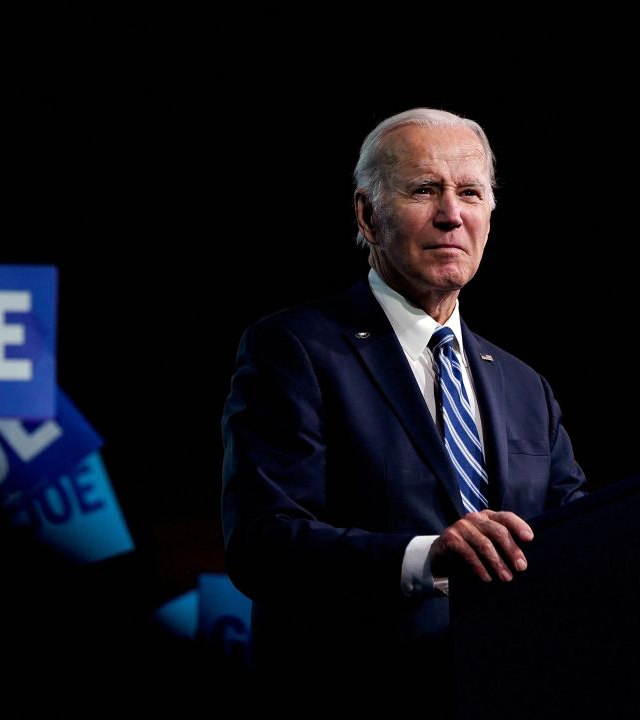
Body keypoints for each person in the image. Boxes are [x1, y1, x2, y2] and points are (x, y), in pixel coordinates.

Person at [219, 107, 588, 713]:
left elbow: (575, 539)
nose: (451, 214)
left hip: (514, 689)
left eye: (470, 192)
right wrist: (427, 556)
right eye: (424, 190)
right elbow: (265, 544)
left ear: (490, 215)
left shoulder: (527, 387)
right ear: (367, 215)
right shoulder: (295, 349)